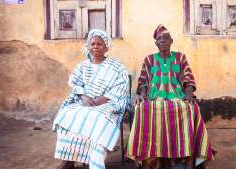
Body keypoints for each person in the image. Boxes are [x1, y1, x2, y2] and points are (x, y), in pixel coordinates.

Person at [127, 25, 214, 169]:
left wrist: (189, 94)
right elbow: (142, 81)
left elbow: (188, 77)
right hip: (155, 99)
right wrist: (141, 96)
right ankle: (149, 158)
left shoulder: (180, 57)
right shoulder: (149, 60)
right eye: (159, 39)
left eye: (165, 38)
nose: (162, 41)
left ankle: (188, 158)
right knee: (141, 109)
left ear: (171, 41)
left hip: (177, 97)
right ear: (156, 43)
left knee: (191, 108)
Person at [52, 29, 129, 169]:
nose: (95, 46)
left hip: (108, 102)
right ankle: (69, 159)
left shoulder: (116, 67)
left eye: (99, 44)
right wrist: (84, 96)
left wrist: (103, 99)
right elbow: (75, 84)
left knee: (97, 117)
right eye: (92, 44)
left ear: (106, 46)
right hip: (86, 100)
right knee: (68, 114)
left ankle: (91, 160)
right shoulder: (82, 66)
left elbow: (121, 87)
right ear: (88, 46)